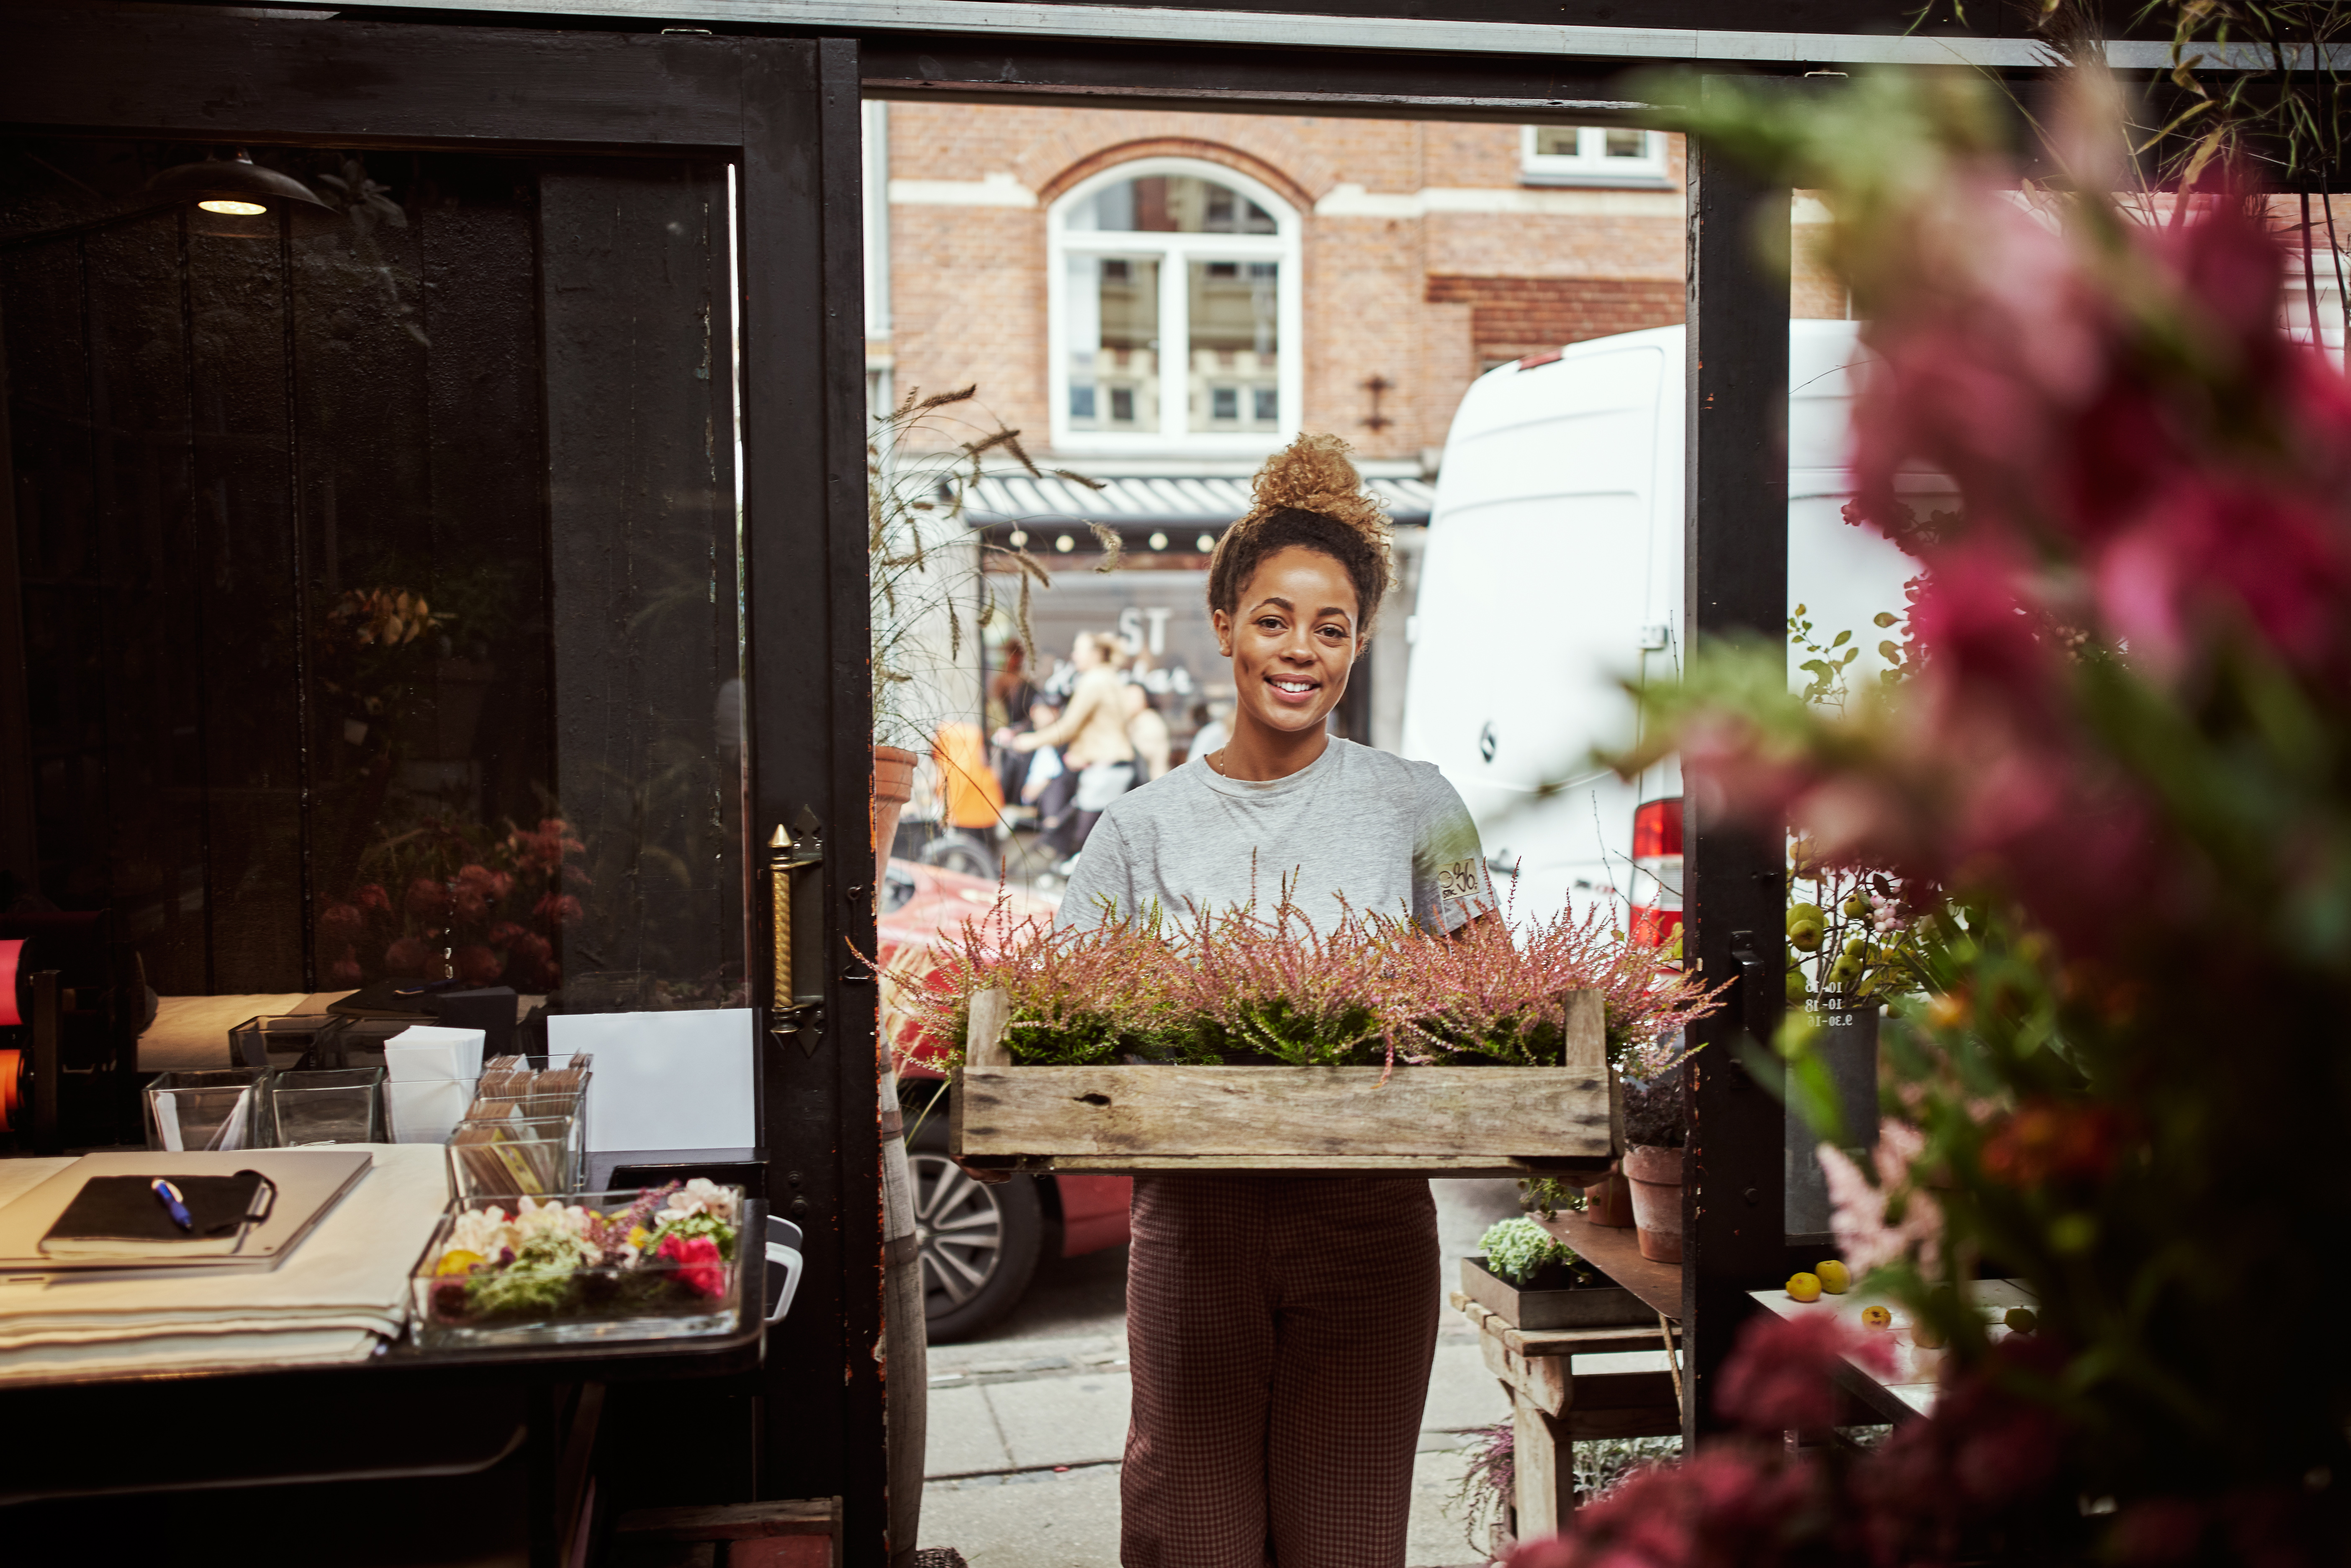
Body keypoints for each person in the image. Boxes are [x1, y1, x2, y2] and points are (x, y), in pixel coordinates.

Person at [1061, 432, 1495, 1568]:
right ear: (1223, 627)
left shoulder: (1418, 805)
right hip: (1196, 1234)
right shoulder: (1137, 830)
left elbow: (1500, 1008)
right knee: (1192, 1540)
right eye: (1272, 618)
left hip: (1368, 1229)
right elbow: (1070, 1043)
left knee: (1348, 1543)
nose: (1299, 650)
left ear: (1358, 643)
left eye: (1331, 625)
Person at [1000, 631, 1136, 870]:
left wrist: (1028, 741)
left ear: (1095, 654)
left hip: (1104, 770)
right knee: (1093, 846)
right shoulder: (1110, 678)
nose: (1073, 656)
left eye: (1078, 650)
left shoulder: (1095, 680)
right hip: (1109, 767)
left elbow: (1069, 726)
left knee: (1086, 851)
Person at [1123, 683, 1172, 783]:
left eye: (1131, 699)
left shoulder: (1149, 721)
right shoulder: (1134, 721)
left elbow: (1142, 753)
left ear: (1146, 701)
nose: (1125, 703)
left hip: (1152, 783)